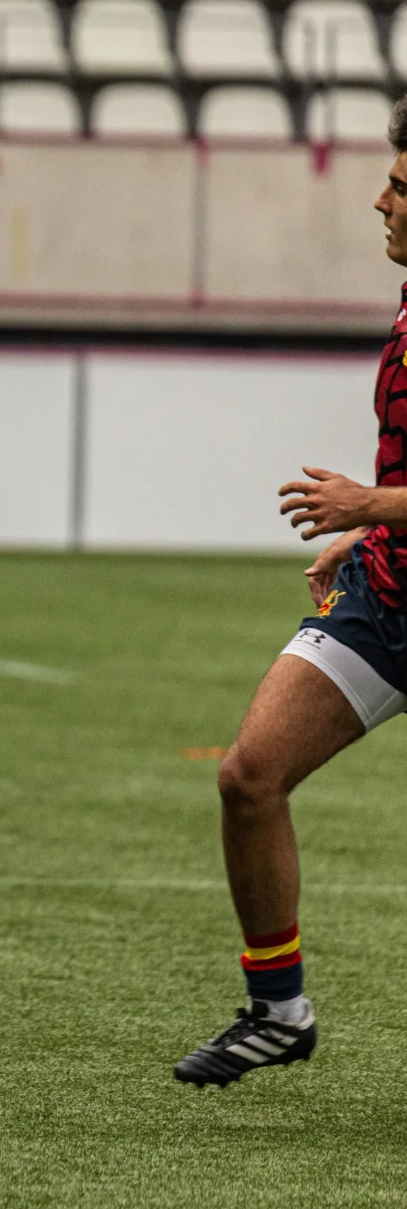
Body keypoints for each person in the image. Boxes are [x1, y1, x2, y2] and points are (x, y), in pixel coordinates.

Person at [172, 98, 407, 1087]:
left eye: (398, 186)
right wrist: (371, 523)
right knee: (247, 775)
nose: (377, 201)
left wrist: (371, 501)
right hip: (388, 597)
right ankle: (278, 1009)